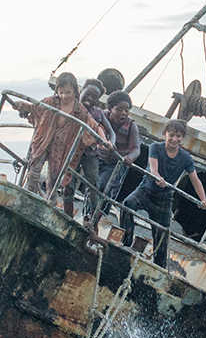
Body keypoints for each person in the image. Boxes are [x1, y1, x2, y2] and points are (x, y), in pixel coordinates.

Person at [11, 72, 106, 217]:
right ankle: (26, 202)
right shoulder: (51, 102)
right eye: (61, 92)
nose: (65, 96)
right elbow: (35, 107)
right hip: (44, 141)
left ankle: (47, 210)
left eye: (68, 92)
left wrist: (104, 140)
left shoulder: (80, 110)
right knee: (34, 171)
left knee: (54, 180)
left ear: (75, 90)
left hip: (62, 149)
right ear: (57, 92)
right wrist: (21, 105)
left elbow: (93, 125)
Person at [120, 119, 206, 269]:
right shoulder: (156, 147)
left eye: (179, 136)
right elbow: (153, 167)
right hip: (146, 189)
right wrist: (157, 177)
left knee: (162, 233)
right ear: (165, 134)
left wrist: (204, 200)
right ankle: (125, 244)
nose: (175, 139)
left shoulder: (185, 157)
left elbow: (195, 179)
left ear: (182, 138)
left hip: (164, 197)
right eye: (172, 135)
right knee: (128, 204)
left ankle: (159, 266)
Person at [95, 90, 140, 218]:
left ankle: (97, 218)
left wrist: (129, 158)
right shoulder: (101, 116)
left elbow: (136, 148)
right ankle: (87, 215)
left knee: (105, 187)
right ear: (110, 109)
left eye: (126, 110)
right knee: (91, 185)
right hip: (97, 156)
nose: (124, 113)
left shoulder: (131, 125)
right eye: (120, 109)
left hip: (116, 163)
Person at [77, 79, 114, 226]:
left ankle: (92, 222)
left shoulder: (97, 113)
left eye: (94, 97)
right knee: (67, 184)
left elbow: (108, 130)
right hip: (71, 152)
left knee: (93, 186)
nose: (89, 98)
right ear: (81, 91)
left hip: (90, 153)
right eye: (88, 94)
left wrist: (110, 142)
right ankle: (65, 213)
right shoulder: (73, 106)